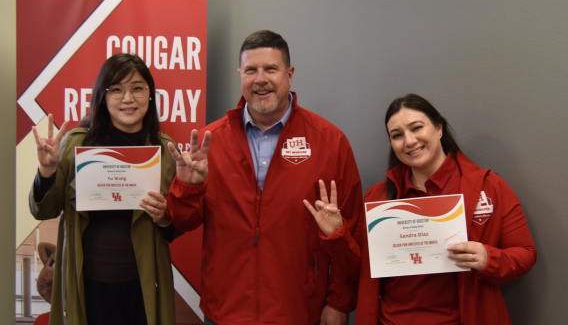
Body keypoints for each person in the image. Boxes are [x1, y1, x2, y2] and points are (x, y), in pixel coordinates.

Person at [165, 30, 363, 325]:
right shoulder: (209, 142)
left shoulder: (330, 142)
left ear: (289, 74)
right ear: (240, 75)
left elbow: (352, 229)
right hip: (225, 310)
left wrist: (340, 302)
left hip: (298, 310)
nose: (260, 79)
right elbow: (182, 221)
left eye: (271, 69)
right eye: (251, 70)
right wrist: (188, 187)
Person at [304, 93, 537, 325]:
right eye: (397, 135)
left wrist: (490, 259)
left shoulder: (488, 186)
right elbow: (362, 271)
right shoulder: (379, 197)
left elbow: (525, 253)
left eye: (416, 128)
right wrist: (336, 235)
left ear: (438, 128)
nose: (409, 141)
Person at [29, 53, 186, 325]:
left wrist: (165, 217)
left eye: (138, 88)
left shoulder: (164, 149)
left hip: (144, 284)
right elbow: (45, 209)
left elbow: (174, 226)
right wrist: (47, 172)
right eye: (117, 89)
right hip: (86, 285)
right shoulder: (76, 143)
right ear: (102, 96)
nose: (128, 98)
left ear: (150, 94)